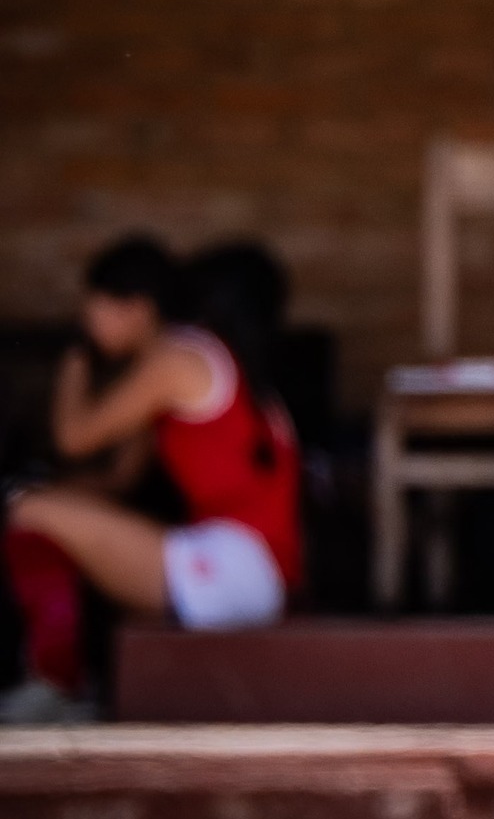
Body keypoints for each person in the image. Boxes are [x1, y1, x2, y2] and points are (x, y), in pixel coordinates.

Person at [1, 237, 301, 723]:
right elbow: (117, 480)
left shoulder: (180, 356)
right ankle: (61, 681)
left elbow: (74, 438)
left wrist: (74, 362)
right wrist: (55, 499)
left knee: (25, 508)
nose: (88, 320)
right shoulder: (225, 366)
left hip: (230, 565)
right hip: (248, 569)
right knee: (37, 506)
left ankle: (59, 685)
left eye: (96, 305)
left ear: (139, 308)